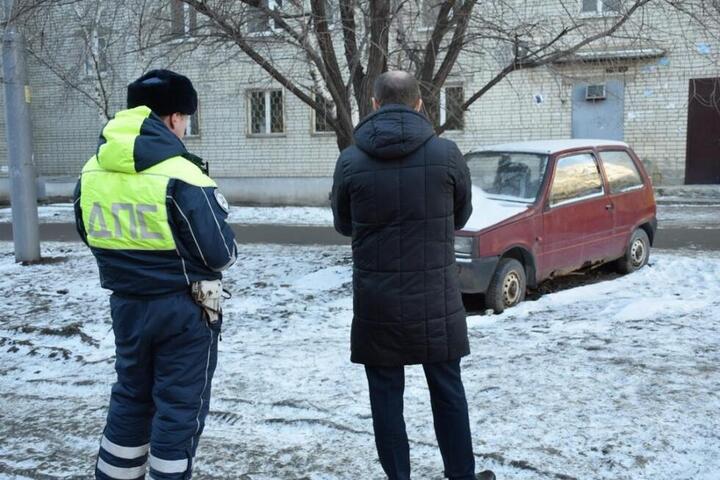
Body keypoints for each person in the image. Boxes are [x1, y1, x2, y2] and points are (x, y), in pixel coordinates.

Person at [73, 69, 237, 480]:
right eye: (186, 118)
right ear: (173, 118)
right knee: (179, 404)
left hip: (126, 304)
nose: (185, 127)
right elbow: (220, 254)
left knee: (130, 395)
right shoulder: (183, 175)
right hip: (185, 309)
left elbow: (88, 232)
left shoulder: (91, 170)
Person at [331, 71, 495, 480]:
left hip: (377, 301)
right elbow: (461, 215)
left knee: (386, 399)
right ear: (419, 104)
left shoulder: (350, 160)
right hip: (435, 298)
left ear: (374, 104)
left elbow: (343, 223)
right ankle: (462, 475)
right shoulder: (447, 153)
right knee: (448, 392)